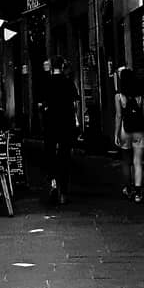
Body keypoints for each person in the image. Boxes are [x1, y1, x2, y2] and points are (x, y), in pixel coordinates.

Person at [42, 57, 80, 207]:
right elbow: (75, 103)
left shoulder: (47, 82)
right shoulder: (68, 82)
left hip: (51, 124)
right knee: (64, 156)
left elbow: (43, 103)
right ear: (63, 66)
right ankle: (63, 193)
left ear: (52, 67)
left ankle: (53, 184)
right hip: (66, 124)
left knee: (50, 154)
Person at [116, 67, 144, 203]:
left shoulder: (119, 97)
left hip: (125, 130)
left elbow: (118, 116)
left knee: (126, 161)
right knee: (138, 162)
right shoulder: (140, 97)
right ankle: (138, 192)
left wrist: (116, 133)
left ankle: (128, 188)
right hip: (139, 131)